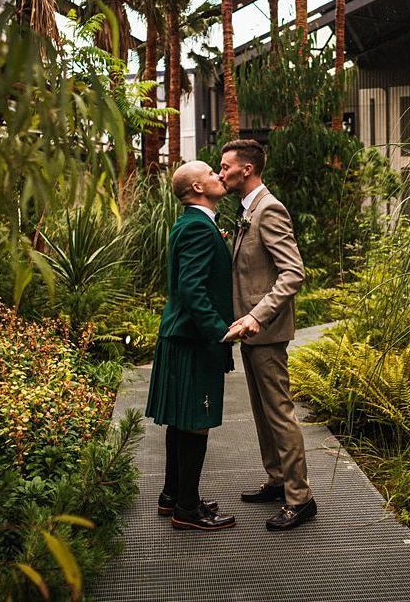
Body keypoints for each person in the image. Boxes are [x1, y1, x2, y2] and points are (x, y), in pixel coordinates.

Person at [219, 139, 317, 531]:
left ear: (247, 169)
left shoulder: (269, 208)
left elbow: (293, 272)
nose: (220, 172)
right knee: (263, 411)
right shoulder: (247, 210)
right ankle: (278, 480)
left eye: (226, 166)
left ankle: (301, 497)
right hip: (250, 329)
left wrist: (257, 316)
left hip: (266, 328)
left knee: (279, 413)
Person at [145, 160, 238, 531]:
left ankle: (173, 496)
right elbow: (193, 288)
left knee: (182, 421)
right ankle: (187, 509)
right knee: (196, 423)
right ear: (198, 188)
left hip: (180, 335)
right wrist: (221, 331)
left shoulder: (190, 223)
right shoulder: (199, 227)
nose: (219, 176)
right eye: (212, 174)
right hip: (193, 339)